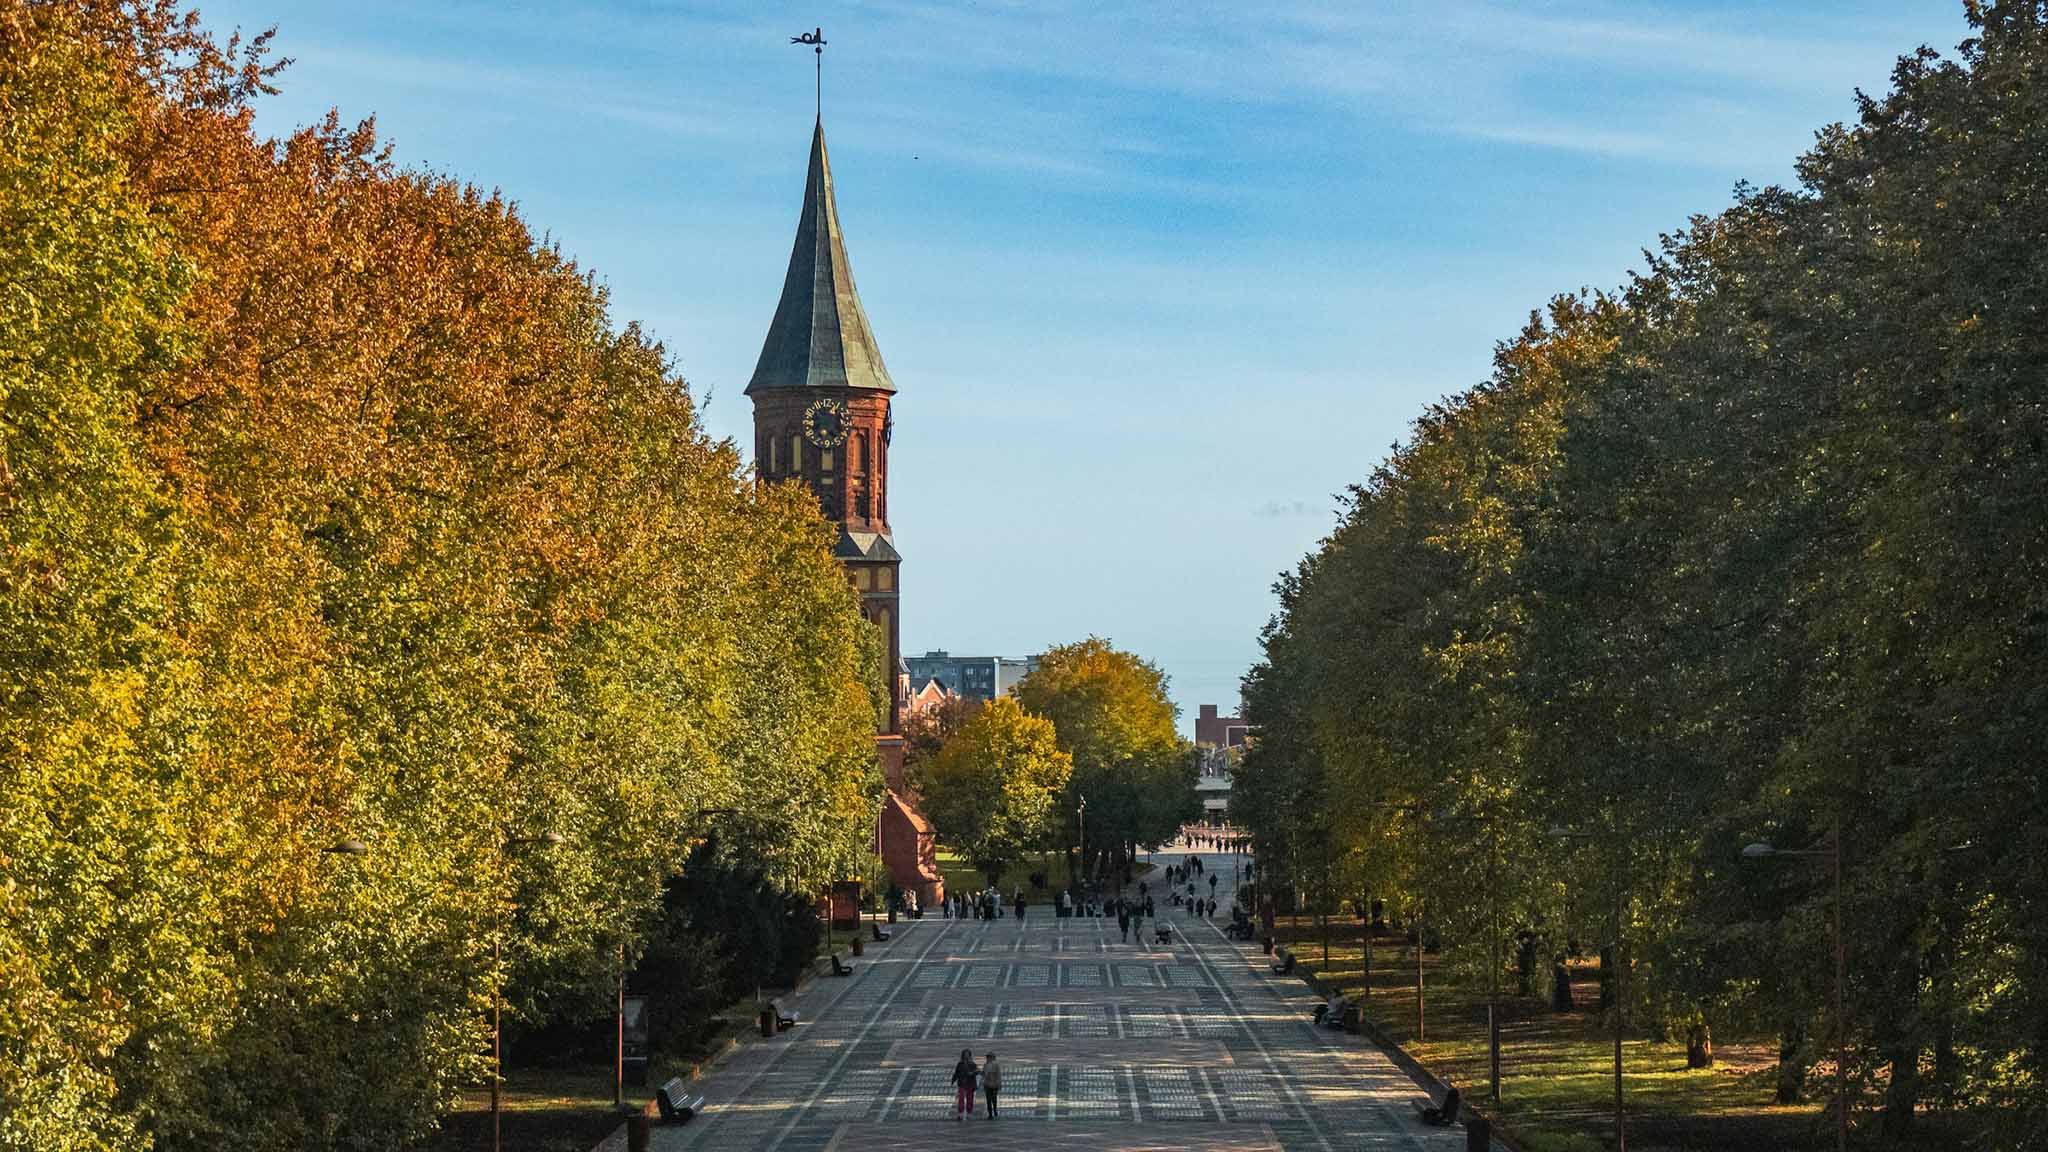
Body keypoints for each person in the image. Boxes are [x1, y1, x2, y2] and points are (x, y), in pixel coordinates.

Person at [951, 1048, 979, 1121]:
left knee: (970, 1099)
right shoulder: (960, 1064)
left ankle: (969, 1113)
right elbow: (956, 1073)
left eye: (967, 1054)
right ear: (963, 1055)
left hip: (970, 1084)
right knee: (961, 1098)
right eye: (965, 1054)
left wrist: (972, 1073)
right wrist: (953, 1080)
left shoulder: (972, 1064)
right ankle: (960, 1113)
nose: (966, 1056)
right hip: (962, 1083)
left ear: (969, 1055)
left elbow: (977, 1071)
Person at [982, 1051, 1003, 1118]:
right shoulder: (985, 1065)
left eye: (990, 1057)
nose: (988, 1058)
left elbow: (998, 1075)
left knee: (993, 1099)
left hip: (994, 1084)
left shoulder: (996, 1064)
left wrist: (999, 1083)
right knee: (989, 1099)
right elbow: (984, 1074)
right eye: (987, 1057)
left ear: (993, 1057)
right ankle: (990, 1113)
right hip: (987, 1084)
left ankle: (994, 1111)